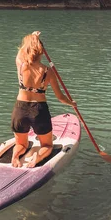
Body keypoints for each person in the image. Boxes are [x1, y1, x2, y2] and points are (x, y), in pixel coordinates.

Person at [10, 31, 76, 168]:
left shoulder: (21, 65)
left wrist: (33, 38)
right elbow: (60, 97)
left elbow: (21, 53)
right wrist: (72, 103)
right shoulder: (48, 71)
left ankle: (15, 157)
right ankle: (37, 157)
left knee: (21, 144)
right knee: (47, 145)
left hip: (20, 108)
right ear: (42, 52)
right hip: (38, 110)